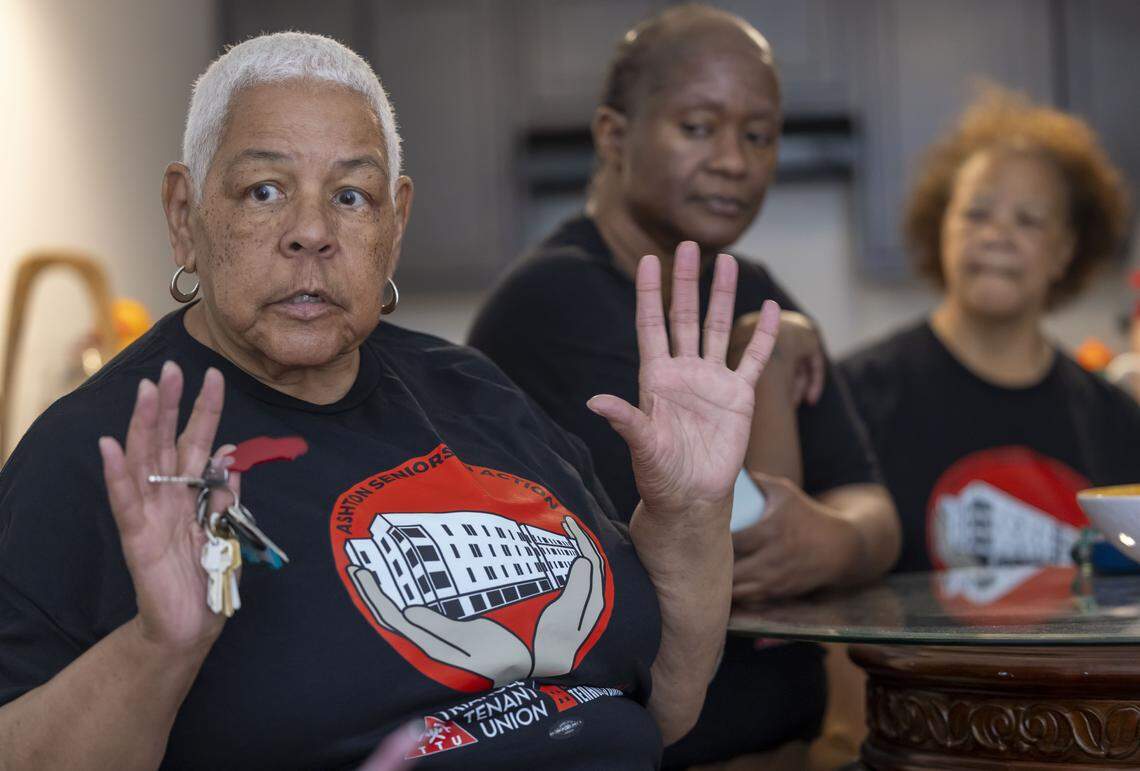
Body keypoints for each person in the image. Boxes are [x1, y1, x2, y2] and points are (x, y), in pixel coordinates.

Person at [0, 32, 786, 769]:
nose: (311, 231)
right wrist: (158, 645)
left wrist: (689, 510)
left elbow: (667, 703)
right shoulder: (100, 450)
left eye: (351, 196)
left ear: (395, 223)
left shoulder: (477, 391)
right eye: (264, 190)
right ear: (185, 215)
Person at [468, 5, 899, 767]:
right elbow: (729, 540)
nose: (734, 159)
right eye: (699, 127)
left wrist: (836, 535)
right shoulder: (554, 302)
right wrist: (766, 369)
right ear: (612, 136)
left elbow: (871, 505)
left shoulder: (757, 291)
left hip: (785, 743)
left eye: (758, 135)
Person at [840, 87, 1138, 573]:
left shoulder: (1119, 424)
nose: (997, 234)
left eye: (1029, 220)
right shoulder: (856, 396)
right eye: (977, 213)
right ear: (942, 230)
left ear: (1065, 251)